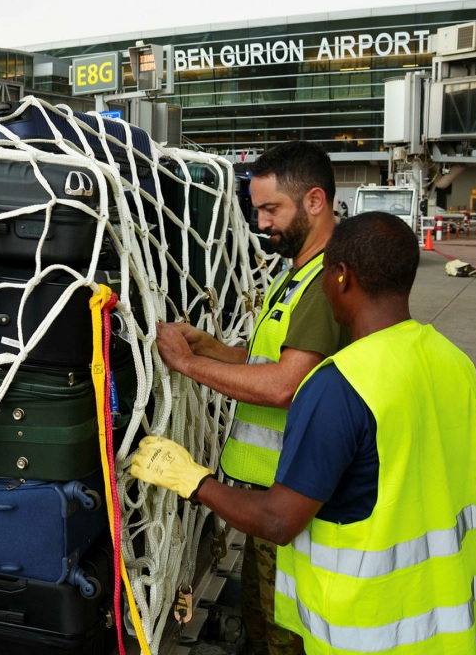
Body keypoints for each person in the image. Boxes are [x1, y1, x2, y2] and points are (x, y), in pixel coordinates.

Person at [132, 212, 476, 653]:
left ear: (340, 277)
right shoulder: (453, 361)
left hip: (366, 631)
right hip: (442, 625)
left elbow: (278, 520)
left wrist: (192, 480)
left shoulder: (339, 386)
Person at [156, 140, 347, 655]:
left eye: (270, 209)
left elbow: (285, 384)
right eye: (257, 210)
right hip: (268, 497)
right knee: (262, 628)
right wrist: (217, 351)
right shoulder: (298, 273)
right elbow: (269, 362)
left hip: (297, 503)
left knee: (288, 636)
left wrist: (188, 365)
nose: (261, 224)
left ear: (313, 201)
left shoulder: (328, 280)